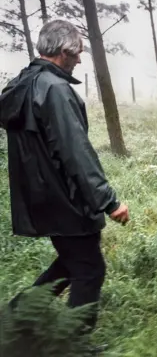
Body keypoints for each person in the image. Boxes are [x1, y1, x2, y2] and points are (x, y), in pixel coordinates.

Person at [0, 20, 129, 334]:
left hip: (40, 196)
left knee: (71, 262)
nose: (80, 59)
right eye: (78, 53)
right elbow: (75, 151)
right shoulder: (55, 89)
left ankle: (13, 321)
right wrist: (108, 201)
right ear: (63, 51)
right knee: (89, 270)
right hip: (64, 197)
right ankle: (74, 344)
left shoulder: (23, 83)